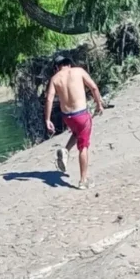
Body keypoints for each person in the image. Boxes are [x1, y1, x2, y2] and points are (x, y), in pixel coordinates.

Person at [44, 55, 104, 189]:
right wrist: (99, 104)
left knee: (77, 132)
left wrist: (47, 119)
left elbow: (49, 99)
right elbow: (94, 87)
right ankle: (83, 180)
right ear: (69, 64)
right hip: (81, 114)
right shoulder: (79, 71)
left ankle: (65, 150)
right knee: (83, 147)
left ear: (56, 67)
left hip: (67, 116)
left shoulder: (55, 79)